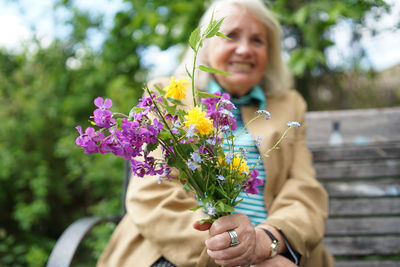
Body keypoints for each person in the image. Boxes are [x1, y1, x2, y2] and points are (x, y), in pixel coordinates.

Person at [97, 0, 334, 266]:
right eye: (230, 35)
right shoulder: (166, 96)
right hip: (177, 254)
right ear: (205, 49)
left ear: (270, 54)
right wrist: (231, 252)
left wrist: (267, 242)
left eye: (258, 41)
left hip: (274, 254)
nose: (244, 49)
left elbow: (304, 189)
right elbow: (152, 194)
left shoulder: (289, 106)